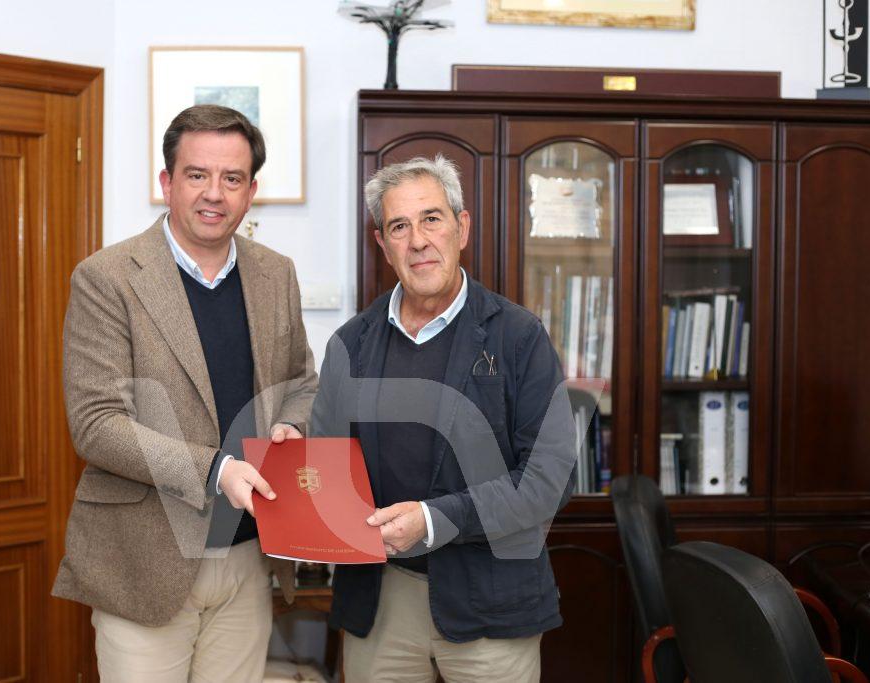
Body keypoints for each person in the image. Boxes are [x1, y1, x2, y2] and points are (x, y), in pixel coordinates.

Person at [52, 104, 318, 682]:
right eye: (197, 174)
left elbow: (301, 380)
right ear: (167, 182)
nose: (214, 193)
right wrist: (216, 470)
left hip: (249, 555)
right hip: (145, 561)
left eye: (232, 178)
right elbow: (96, 424)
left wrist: (293, 427)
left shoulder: (276, 273)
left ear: (251, 192)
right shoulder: (107, 277)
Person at [310, 155, 578, 682]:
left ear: (462, 228)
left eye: (431, 218)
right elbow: (323, 463)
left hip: (491, 601)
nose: (418, 240)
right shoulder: (351, 344)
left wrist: (434, 520)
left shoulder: (519, 337)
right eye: (399, 226)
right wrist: (291, 449)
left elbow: (550, 477)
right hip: (379, 602)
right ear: (382, 243)